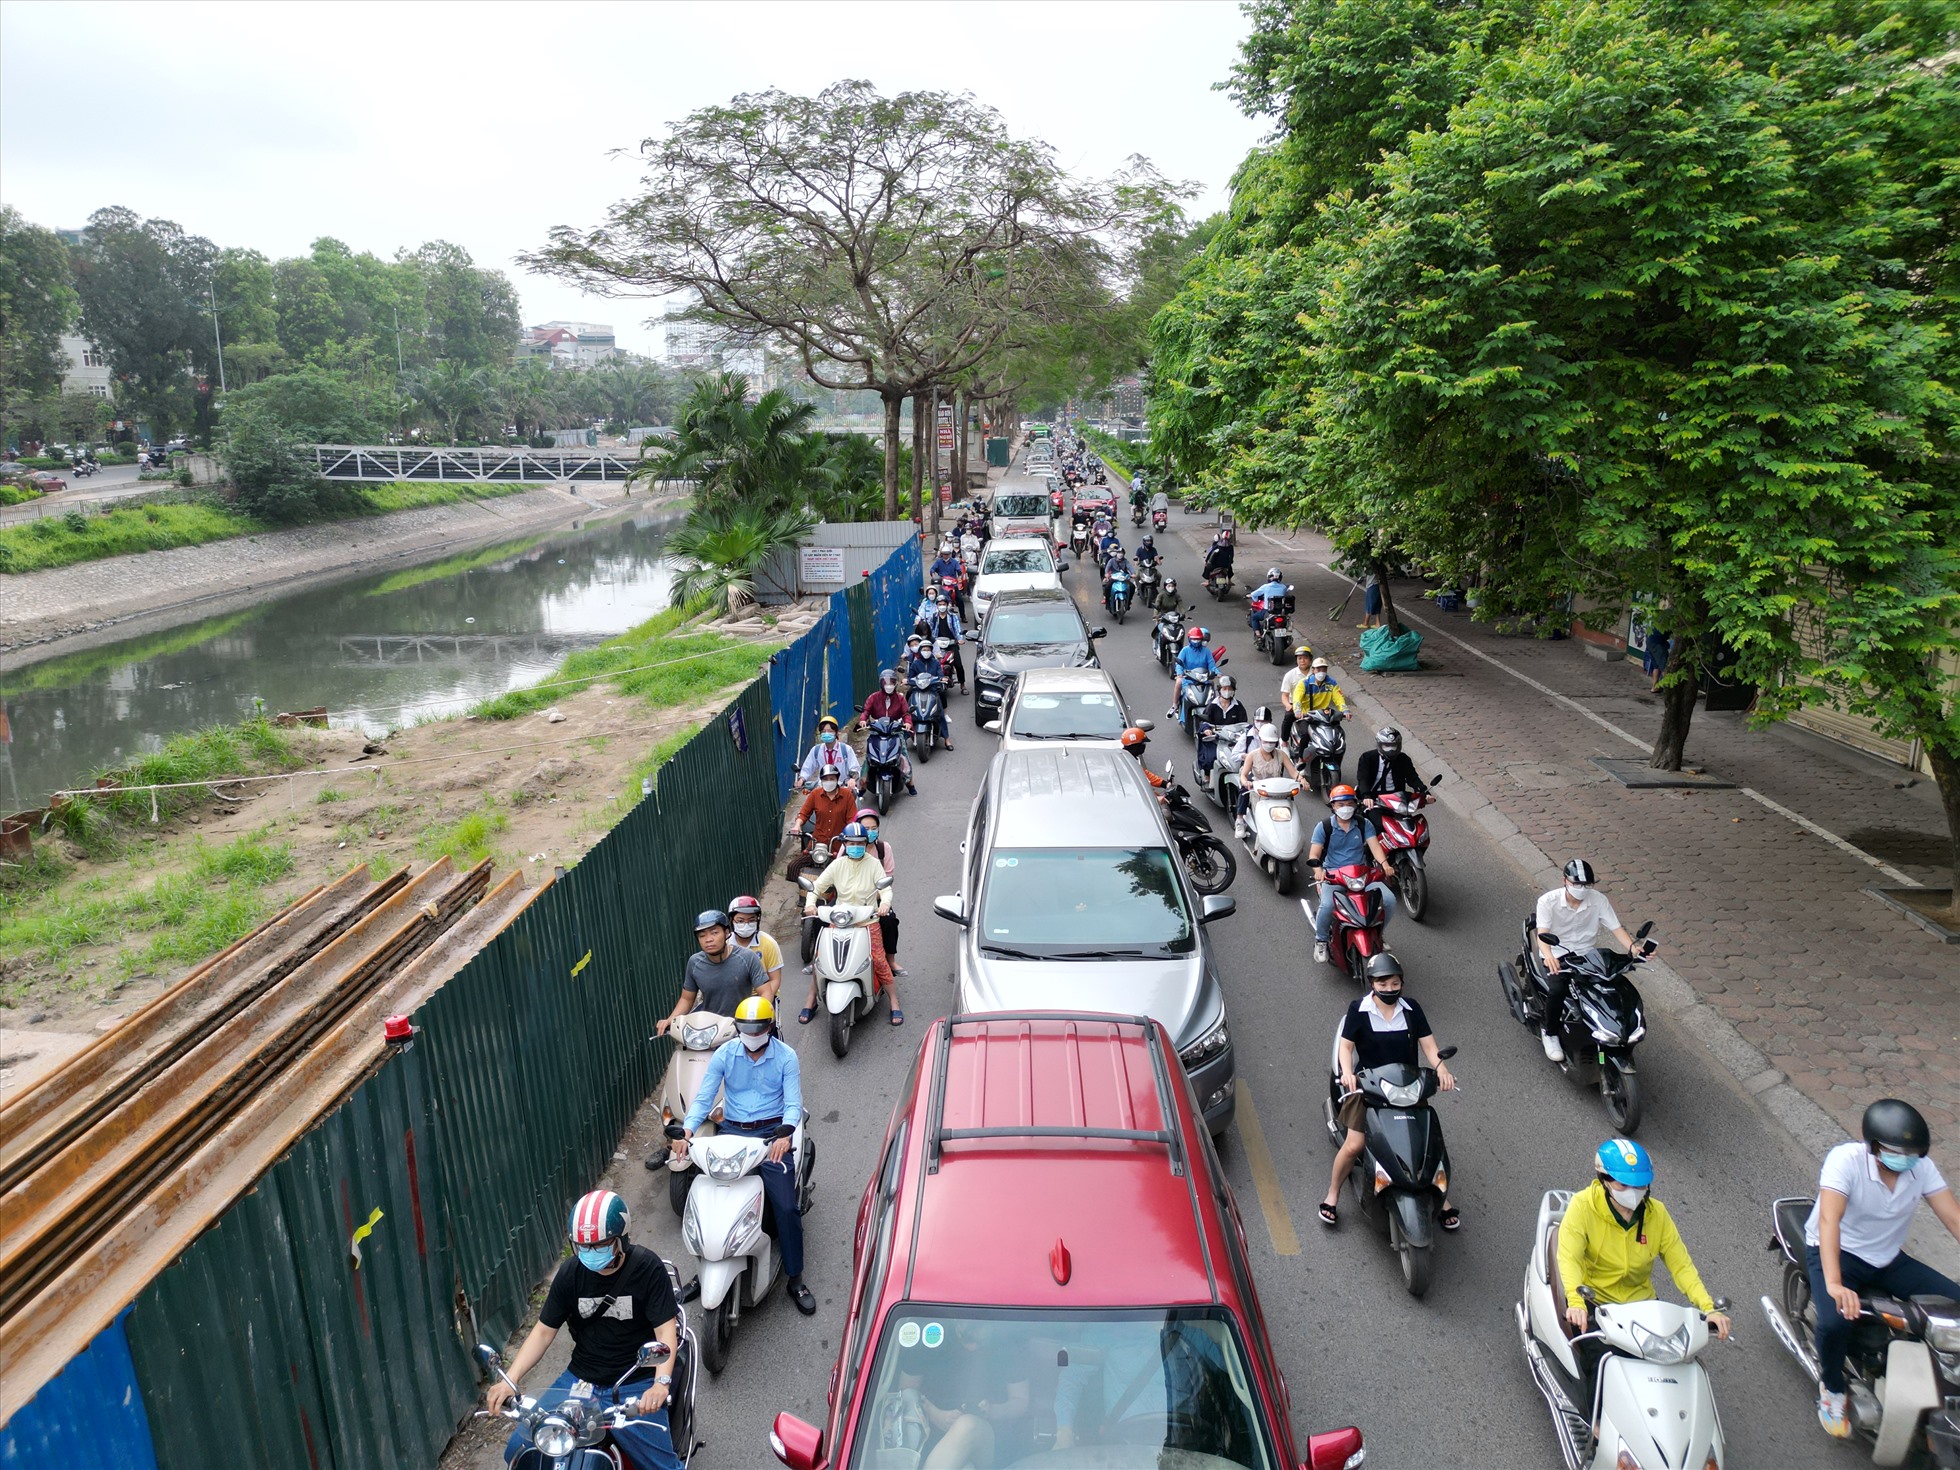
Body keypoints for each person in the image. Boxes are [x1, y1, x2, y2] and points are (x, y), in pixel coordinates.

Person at [487, 1190, 683, 1469]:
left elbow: (665, 1333)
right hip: (580, 1381)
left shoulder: (647, 1269)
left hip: (633, 1382)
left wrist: (660, 1384)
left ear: (620, 1239)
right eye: (583, 1246)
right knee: (520, 1452)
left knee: (662, 1467)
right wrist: (511, 1379)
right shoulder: (570, 1274)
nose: (590, 1253)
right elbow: (543, 1332)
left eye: (600, 1244)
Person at [1805, 1098, 1960, 1439]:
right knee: (1834, 1322)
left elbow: (1953, 1217)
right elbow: (1830, 1220)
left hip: (1887, 1257)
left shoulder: (1921, 1168)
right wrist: (1834, 1284)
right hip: (1837, 1252)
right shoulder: (1845, 1161)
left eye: (1911, 1152)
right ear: (1873, 1145)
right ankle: (1831, 1388)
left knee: (1955, 1303)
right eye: (1895, 1151)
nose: (1904, 1158)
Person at [673, 996, 816, 1316]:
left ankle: (795, 1277)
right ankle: (703, 1270)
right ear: (737, 1028)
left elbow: (793, 1104)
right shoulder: (724, 1054)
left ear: (769, 1027)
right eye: (745, 1028)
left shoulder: (786, 1057)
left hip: (771, 1138)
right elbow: (703, 1098)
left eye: (758, 1027)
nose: (752, 1034)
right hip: (732, 1135)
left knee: (786, 1207)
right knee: (708, 1199)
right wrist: (688, 1131)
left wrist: (786, 1133)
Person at [1558, 1139, 1730, 1395]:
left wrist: (1707, 1308)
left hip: (1641, 1305)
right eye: (1624, 1184)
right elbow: (1569, 1258)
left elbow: (1681, 1265)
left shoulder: (1656, 1214)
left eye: (1640, 1185)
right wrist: (1576, 1302)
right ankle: (1597, 1430)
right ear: (1604, 1180)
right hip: (1597, 1303)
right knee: (1604, 1365)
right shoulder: (1582, 1207)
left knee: (1669, 1368)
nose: (1633, 1191)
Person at [1321, 954, 1458, 1229]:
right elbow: (1346, 1048)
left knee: (1429, 1144)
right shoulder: (1358, 1010)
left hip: (1407, 1087)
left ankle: (1440, 1197)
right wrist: (1347, 1073)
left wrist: (1441, 1068)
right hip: (1369, 1089)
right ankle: (1332, 1194)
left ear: (1402, 983)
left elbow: (1429, 1046)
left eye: (1394, 983)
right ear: (1372, 984)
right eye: (1383, 984)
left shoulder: (1412, 1009)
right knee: (1354, 1145)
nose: (1389, 989)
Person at [1532, 859, 1647, 1063]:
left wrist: (1632, 948)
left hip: (1587, 954)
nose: (1582, 889)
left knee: (1611, 987)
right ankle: (1550, 1033)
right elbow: (1542, 933)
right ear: (1565, 881)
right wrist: (1549, 955)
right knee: (1558, 990)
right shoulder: (1547, 901)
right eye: (1577, 884)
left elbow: (1616, 928)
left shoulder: (1598, 900)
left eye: (1587, 885)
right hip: (1558, 953)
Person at [799, 822, 901, 1026]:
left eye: (860, 843)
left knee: (879, 960)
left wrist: (885, 904)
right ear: (845, 844)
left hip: (867, 921)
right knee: (820, 960)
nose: (856, 846)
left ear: (866, 843)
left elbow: (885, 889)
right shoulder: (838, 865)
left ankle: (894, 1002)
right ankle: (811, 1000)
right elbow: (817, 888)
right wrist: (810, 904)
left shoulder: (873, 864)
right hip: (841, 920)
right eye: (852, 842)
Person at [898, 1317, 1032, 1469]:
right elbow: (907, 1391)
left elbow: (1020, 1401)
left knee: (968, 1424)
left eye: (981, 1340)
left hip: (988, 1442)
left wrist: (993, 1410)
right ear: (956, 1322)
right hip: (929, 1439)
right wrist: (935, 1415)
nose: (973, 1346)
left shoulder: (1008, 1342)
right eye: (967, 1338)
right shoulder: (930, 1333)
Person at [1306, 785, 1397, 964]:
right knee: (1326, 905)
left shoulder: (1364, 824)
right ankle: (1321, 940)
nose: (1345, 808)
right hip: (1333, 876)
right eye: (1340, 804)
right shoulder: (1323, 827)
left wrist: (1385, 865)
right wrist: (1318, 872)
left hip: (1362, 875)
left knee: (1388, 900)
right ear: (1333, 806)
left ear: (1355, 805)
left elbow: (1375, 847)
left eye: (1349, 803)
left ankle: (1378, 933)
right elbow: (1314, 855)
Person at [656, 910, 768, 1037]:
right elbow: (686, 999)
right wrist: (671, 1019)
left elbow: (765, 992)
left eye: (714, 933)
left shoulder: (747, 957)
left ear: (727, 933)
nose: (708, 939)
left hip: (742, 1028)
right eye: (702, 935)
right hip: (710, 1031)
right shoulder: (694, 963)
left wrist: (757, 1019)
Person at [787, 766, 857, 882]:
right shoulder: (815, 794)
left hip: (838, 846)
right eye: (826, 779)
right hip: (817, 845)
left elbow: (852, 820)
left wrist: (849, 836)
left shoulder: (847, 795)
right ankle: (803, 893)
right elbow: (803, 814)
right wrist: (797, 826)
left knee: (845, 876)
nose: (829, 781)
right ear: (821, 780)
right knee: (793, 867)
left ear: (837, 779)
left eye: (832, 778)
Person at [855, 807, 904, 971]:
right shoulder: (848, 848)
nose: (870, 832)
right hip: (849, 900)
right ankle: (820, 959)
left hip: (876, 900)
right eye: (866, 829)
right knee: (824, 920)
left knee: (890, 921)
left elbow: (888, 880)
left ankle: (890, 960)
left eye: (873, 828)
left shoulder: (884, 849)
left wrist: (878, 900)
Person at [1235, 723, 1300, 838]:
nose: (1269, 745)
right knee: (1264, 824)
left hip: (1279, 794)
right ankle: (1240, 821)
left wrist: (1301, 779)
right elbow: (1243, 775)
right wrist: (1246, 782)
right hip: (1260, 795)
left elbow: (1293, 772)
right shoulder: (1252, 756)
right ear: (1260, 739)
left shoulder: (1281, 755)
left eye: (1272, 742)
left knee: (1291, 819)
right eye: (1266, 741)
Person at [860, 668, 919, 796]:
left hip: (894, 730)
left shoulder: (900, 698)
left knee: (903, 754)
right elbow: (866, 711)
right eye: (886, 683)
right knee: (868, 757)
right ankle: (862, 785)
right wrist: (863, 720)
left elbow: (906, 713)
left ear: (895, 683)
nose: (889, 685)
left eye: (891, 682)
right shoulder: (873, 697)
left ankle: (910, 782)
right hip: (877, 730)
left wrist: (907, 722)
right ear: (881, 683)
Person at [727, 894, 783, 1007]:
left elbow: (775, 980)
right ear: (732, 921)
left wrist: (761, 1003)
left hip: (763, 996)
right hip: (734, 998)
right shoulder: (725, 944)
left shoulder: (768, 943)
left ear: (757, 920)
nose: (746, 925)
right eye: (741, 921)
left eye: (751, 920)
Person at [1354, 727, 1430, 805]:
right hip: (1373, 798)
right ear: (1379, 745)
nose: (1391, 750)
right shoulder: (1367, 758)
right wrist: (1367, 796)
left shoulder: (1403, 759)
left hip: (1396, 799)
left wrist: (1424, 792)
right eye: (1386, 746)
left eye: (1394, 746)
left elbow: (1413, 778)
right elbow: (1363, 779)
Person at [903, 639, 954, 753]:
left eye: (928, 650)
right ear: (920, 651)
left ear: (931, 651)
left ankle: (947, 739)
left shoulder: (935, 663)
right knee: (909, 709)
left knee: (939, 713)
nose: (926, 651)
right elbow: (911, 676)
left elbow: (940, 674)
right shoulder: (916, 663)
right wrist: (907, 680)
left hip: (932, 689)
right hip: (918, 689)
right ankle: (904, 738)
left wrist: (943, 679)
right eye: (924, 649)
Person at [1168, 627, 1221, 721]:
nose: (1196, 641)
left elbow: (1212, 666)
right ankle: (1174, 705)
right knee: (1178, 682)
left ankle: (1215, 706)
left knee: (1212, 683)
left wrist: (1218, 673)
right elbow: (1179, 663)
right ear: (1189, 639)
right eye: (1193, 639)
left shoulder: (1206, 651)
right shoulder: (1185, 650)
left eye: (1198, 639)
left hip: (1203, 677)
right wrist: (1180, 673)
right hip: (1188, 678)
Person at [796, 714, 860, 791]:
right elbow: (807, 768)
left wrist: (852, 780)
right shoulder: (816, 750)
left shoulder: (846, 750)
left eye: (830, 731)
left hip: (843, 788)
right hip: (822, 788)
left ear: (836, 732)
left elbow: (855, 769)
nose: (826, 734)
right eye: (823, 731)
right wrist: (801, 780)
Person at [919, 594, 966, 692]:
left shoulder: (953, 617)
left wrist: (960, 639)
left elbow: (957, 629)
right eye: (940, 604)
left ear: (947, 605)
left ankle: (962, 684)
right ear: (937, 606)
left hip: (951, 643)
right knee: (932, 662)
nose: (942, 606)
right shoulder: (934, 617)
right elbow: (930, 629)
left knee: (958, 664)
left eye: (943, 604)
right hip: (937, 644)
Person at [1290, 656, 1347, 721]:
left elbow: (1339, 698)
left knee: (1337, 730)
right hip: (1307, 716)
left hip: (1324, 716)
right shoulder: (1304, 683)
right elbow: (1297, 698)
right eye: (1318, 669)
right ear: (1313, 670)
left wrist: (1345, 710)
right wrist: (1298, 710)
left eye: (1324, 670)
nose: (1321, 672)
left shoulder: (1332, 683)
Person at [1278, 644, 1314, 744]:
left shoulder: (1316, 674)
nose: (1302, 661)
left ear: (1310, 660)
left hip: (1313, 706)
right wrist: (1289, 706)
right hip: (1296, 707)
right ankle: (1284, 740)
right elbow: (1285, 695)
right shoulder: (1290, 675)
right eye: (1300, 658)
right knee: (1288, 718)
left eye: (1305, 658)